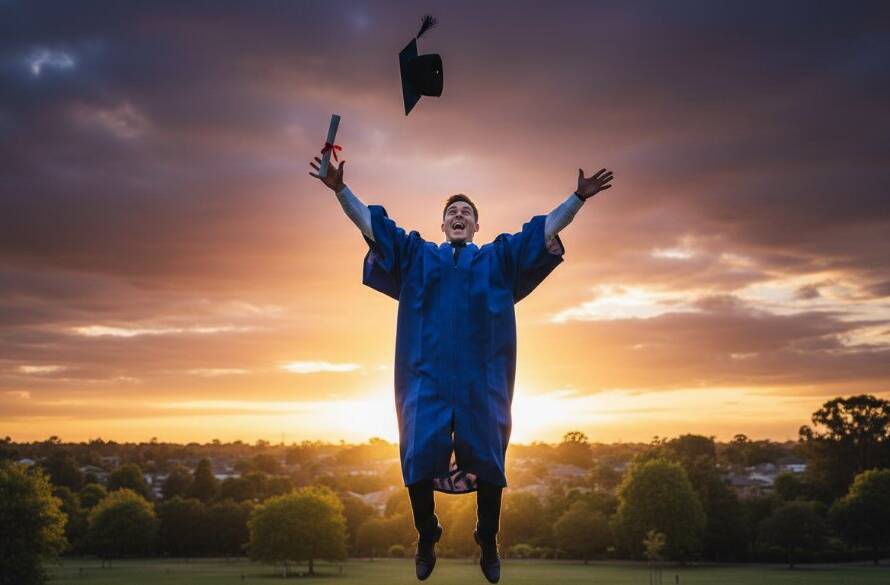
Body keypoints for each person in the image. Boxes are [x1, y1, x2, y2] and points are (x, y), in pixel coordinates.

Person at [309, 155, 613, 582]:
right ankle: (427, 533)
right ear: (442, 225)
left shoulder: (497, 259)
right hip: (424, 376)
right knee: (416, 455)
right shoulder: (417, 256)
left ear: (475, 228)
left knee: (489, 459)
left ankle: (487, 538)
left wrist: (578, 198)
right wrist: (340, 190)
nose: (458, 215)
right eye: (452, 211)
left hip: (481, 379)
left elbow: (542, 231)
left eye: (466, 213)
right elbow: (373, 227)